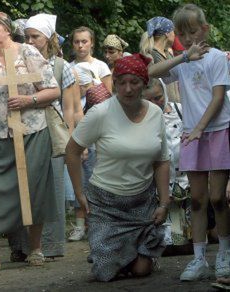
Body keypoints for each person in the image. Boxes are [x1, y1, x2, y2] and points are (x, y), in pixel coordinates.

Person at [0, 11, 60, 274]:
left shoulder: (28, 53)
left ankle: (36, 249)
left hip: (31, 132)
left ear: (7, 30)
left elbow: (53, 90)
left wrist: (28, 100)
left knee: (33, 188)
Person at [66, 53, 169, 281]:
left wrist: (164, 202)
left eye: (134, 82)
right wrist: (79, 193)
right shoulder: (100, 113)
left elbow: (162, 160)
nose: (128, 89)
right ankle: (109, 251)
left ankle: (129, 255)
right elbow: (71, 151)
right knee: (105, 273)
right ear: (114, 83)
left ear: (144, 83)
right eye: (121, 82)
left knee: (141, 271)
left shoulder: (155, 113)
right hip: (106, 202)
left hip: (142, 201)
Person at [148, 3, 230, 281]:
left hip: (217, 131)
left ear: (204, 29)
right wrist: (184, 58)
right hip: (192, 133)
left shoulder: (218, 57)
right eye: (183, 34)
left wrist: (200, 128)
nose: (189, 38)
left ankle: (224, 255)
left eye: (193, 31)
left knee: (218, 198)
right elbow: (151, 73)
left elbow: (218, 98)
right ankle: (198, 259)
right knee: (196, 200)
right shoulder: (182, 62)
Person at [22, 13, 77, 259]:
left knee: (52, 188)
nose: (30, 41)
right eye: (27, 36)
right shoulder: (19, 63)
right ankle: (25, 246)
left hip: (53, 131)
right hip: (25, 131)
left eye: (35, 36)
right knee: (27, 187)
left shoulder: (60, 66)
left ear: (49, 38)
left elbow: (71, 108)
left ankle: (52, 245)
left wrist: (75, 141)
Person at [67, 26, 112, 241]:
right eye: (77, 41)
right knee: (80, 176)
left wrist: (92, 87)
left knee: (97, 174)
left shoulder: (101, 66)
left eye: (84, 41)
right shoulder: (68, 68)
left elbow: (111, 95)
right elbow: (65, 101)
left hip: (100, 126)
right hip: (78, 125)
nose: (80, 45)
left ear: (92, 43)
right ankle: (79, 224)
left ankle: (99, 220)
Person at [143, 79, 192, 252]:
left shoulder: (179, 110)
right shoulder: (141, 117)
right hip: (158, 178)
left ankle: (189, 240)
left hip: (183, 176)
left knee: (185, 215)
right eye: (149, 100)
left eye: (158, 98)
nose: (155, 103)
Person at [140, 16, 180, 103]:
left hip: (175, 107)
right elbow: (148, 85)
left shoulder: (168, 54)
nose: (174, 35)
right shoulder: (149, 56)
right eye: (173, 31)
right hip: (160, 106)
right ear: (167, 33)